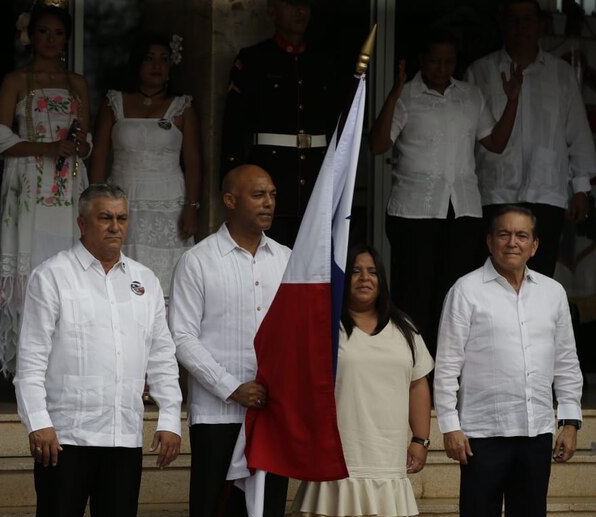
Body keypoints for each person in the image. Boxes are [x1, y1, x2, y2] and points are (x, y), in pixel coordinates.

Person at [14, 183, 182, 517]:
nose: (115, 226)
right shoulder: (52, 276)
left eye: (122, 218)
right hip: (64, 438)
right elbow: (31, 360)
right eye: (105, 217)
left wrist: (169, 417)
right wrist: (38, 422)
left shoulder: (144, 280)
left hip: (124, 436)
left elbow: (162, 355)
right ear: (82, 223)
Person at [368, 30, 522, 355]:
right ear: (422, 60)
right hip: (413, 212)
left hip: (463, 210)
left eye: (449, 61)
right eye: (435, 61)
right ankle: (413, 371)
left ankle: (447, 372)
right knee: (414, 296)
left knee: (455, 295)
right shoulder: (407, 95)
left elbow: (495, 143)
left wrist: (513, 101)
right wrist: (394, 95)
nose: (442, 68)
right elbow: (378, 145)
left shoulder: (471, 95)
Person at [434, 205, 583, 517]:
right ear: (489, 241)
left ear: (535, 245)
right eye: (504, 234)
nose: (512, 242)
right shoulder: (466, 290)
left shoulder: (553, 293)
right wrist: (450, 425)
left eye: (521, 235)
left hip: (536, 433)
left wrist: (570, 422)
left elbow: (567, 362)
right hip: (481, 435)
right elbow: (447, 365)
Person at [168, 164, 291, 517]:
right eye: (258, 195)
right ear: (229, 201)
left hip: (272, 412)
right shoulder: (198, 261)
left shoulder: (287, 259)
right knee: (215, 509)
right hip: (217, 414)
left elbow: (296, 335)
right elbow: (181, 336)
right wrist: (232, 387)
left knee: (267, 511)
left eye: (272, 195)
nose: (268, 203)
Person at [0, 2, 91, 375]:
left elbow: (88, 141)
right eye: (44, 31)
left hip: (67, 186)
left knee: (66, 261)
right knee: (29, 265)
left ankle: (63, 360)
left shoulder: (77, 82)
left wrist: (79, 146)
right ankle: (24, 366)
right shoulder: (15, 80)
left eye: (58, 33)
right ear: (31, 35)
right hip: (27, 183)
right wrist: (46, 148)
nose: (51, 39)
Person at [293, 244, 434, 517]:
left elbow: (417, 384)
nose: (364, 278)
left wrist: (420, 440)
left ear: (382, 280)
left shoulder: (405, 328)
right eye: (356, 271)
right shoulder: (326, 327)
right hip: (337, 455)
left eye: (372, 272)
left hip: (388, 456)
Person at [465, 0, 596, 277]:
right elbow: (466, 137)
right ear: (503, 24)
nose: (520, 27)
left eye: (527, 20)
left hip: (546, 192)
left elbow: (578, 133)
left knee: (539, 281)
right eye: (513, 19)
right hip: (494, 192)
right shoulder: (480, 72)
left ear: (540, 25)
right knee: (492, 281)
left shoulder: (560, 74)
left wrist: (582, 188)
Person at [220, 0, 340, 248]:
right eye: (291, 4)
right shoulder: (253, 59)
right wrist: (231, 179)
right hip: (271, 175)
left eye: (304, 5)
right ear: (272, 11)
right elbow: (234, 125)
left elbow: (335, 125)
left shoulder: (324, 61)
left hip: (316, 178)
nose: (300, 10)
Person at [90, 32, 202, 297]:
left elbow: (194, 162)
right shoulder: (113, 102)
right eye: (150, 59)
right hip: (121, 199)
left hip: (169, 204)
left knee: (166, 281)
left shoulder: (182, 106)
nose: (156, 65)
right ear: (137, 63)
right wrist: (94, 205)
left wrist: (192, 207)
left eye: (164, 59)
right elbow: (99, 157)